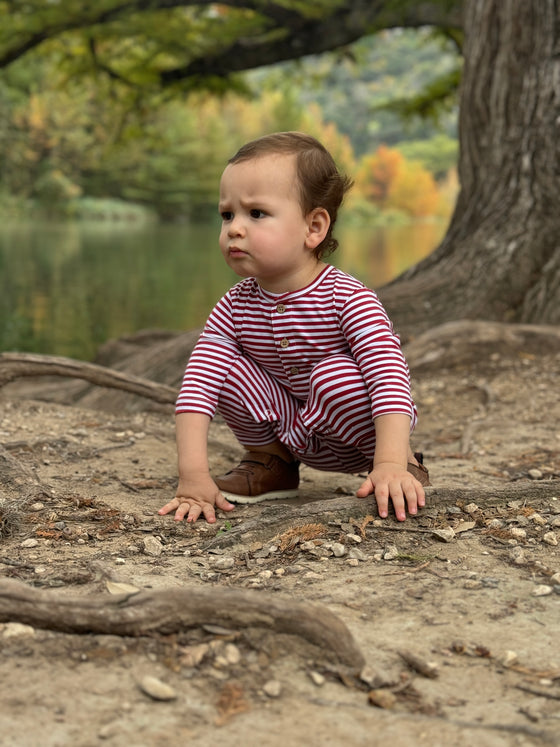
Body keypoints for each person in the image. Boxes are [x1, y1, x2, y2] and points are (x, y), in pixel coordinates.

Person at [158, 131, 429, 526]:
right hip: (290, 427)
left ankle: (399, 468)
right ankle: (272, 462)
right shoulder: (234, 305)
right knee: (218, 367)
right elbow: (198, 387)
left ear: (313, 227)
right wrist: (193, 476)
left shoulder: (348, 298)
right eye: (227, 214)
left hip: (362, 437)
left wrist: (390, 460)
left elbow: (389, 379)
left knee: (334, 374)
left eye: (256, 214)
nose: (234, 228)